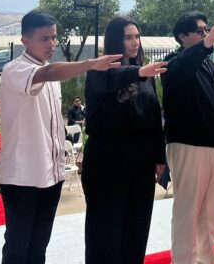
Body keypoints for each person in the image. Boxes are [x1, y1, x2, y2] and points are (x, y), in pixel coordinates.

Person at [0, 10, 123, 264]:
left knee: (39, 245)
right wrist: (90, 64)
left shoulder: (52, 74)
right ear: (25, 40)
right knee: (18, 247)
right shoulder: (15, 69)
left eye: (54, 38)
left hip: (50, 174)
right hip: (23, 177)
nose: (51, 44)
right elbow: (47, 73)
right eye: (44, 38)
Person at [81, 16, 167, 264]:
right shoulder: (99, 69)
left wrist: (159, 157)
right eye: (128, 37)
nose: (135, 42)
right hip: (107, 159)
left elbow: (154, 116)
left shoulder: (146, 74)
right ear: (115, 39)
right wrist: (139, 71)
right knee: (105, 233)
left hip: (141, 160)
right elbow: (112, 78)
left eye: (137, 36)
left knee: (137, 228)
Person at [161, 12, 214, 264]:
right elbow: (184, 66)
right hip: (189, 145)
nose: (205, 34)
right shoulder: (173, 62)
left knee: (212, 211)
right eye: (200, 31)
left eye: (207, 30)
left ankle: (206, 258)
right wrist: (210, 40)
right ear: (182, 36)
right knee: (188, 211)